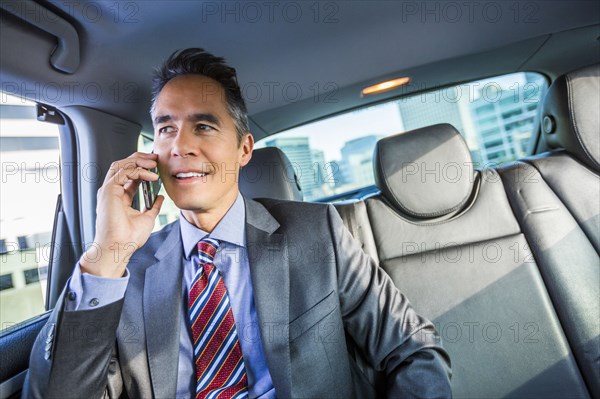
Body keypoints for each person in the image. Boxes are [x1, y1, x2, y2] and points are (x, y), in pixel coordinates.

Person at [26, 48, 452, 398]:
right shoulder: (126, 273)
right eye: (165, 128)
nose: (180, 145)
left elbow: (411, 348)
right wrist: (107, 254)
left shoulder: (316, 233)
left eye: (204, 126)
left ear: (244, 149)